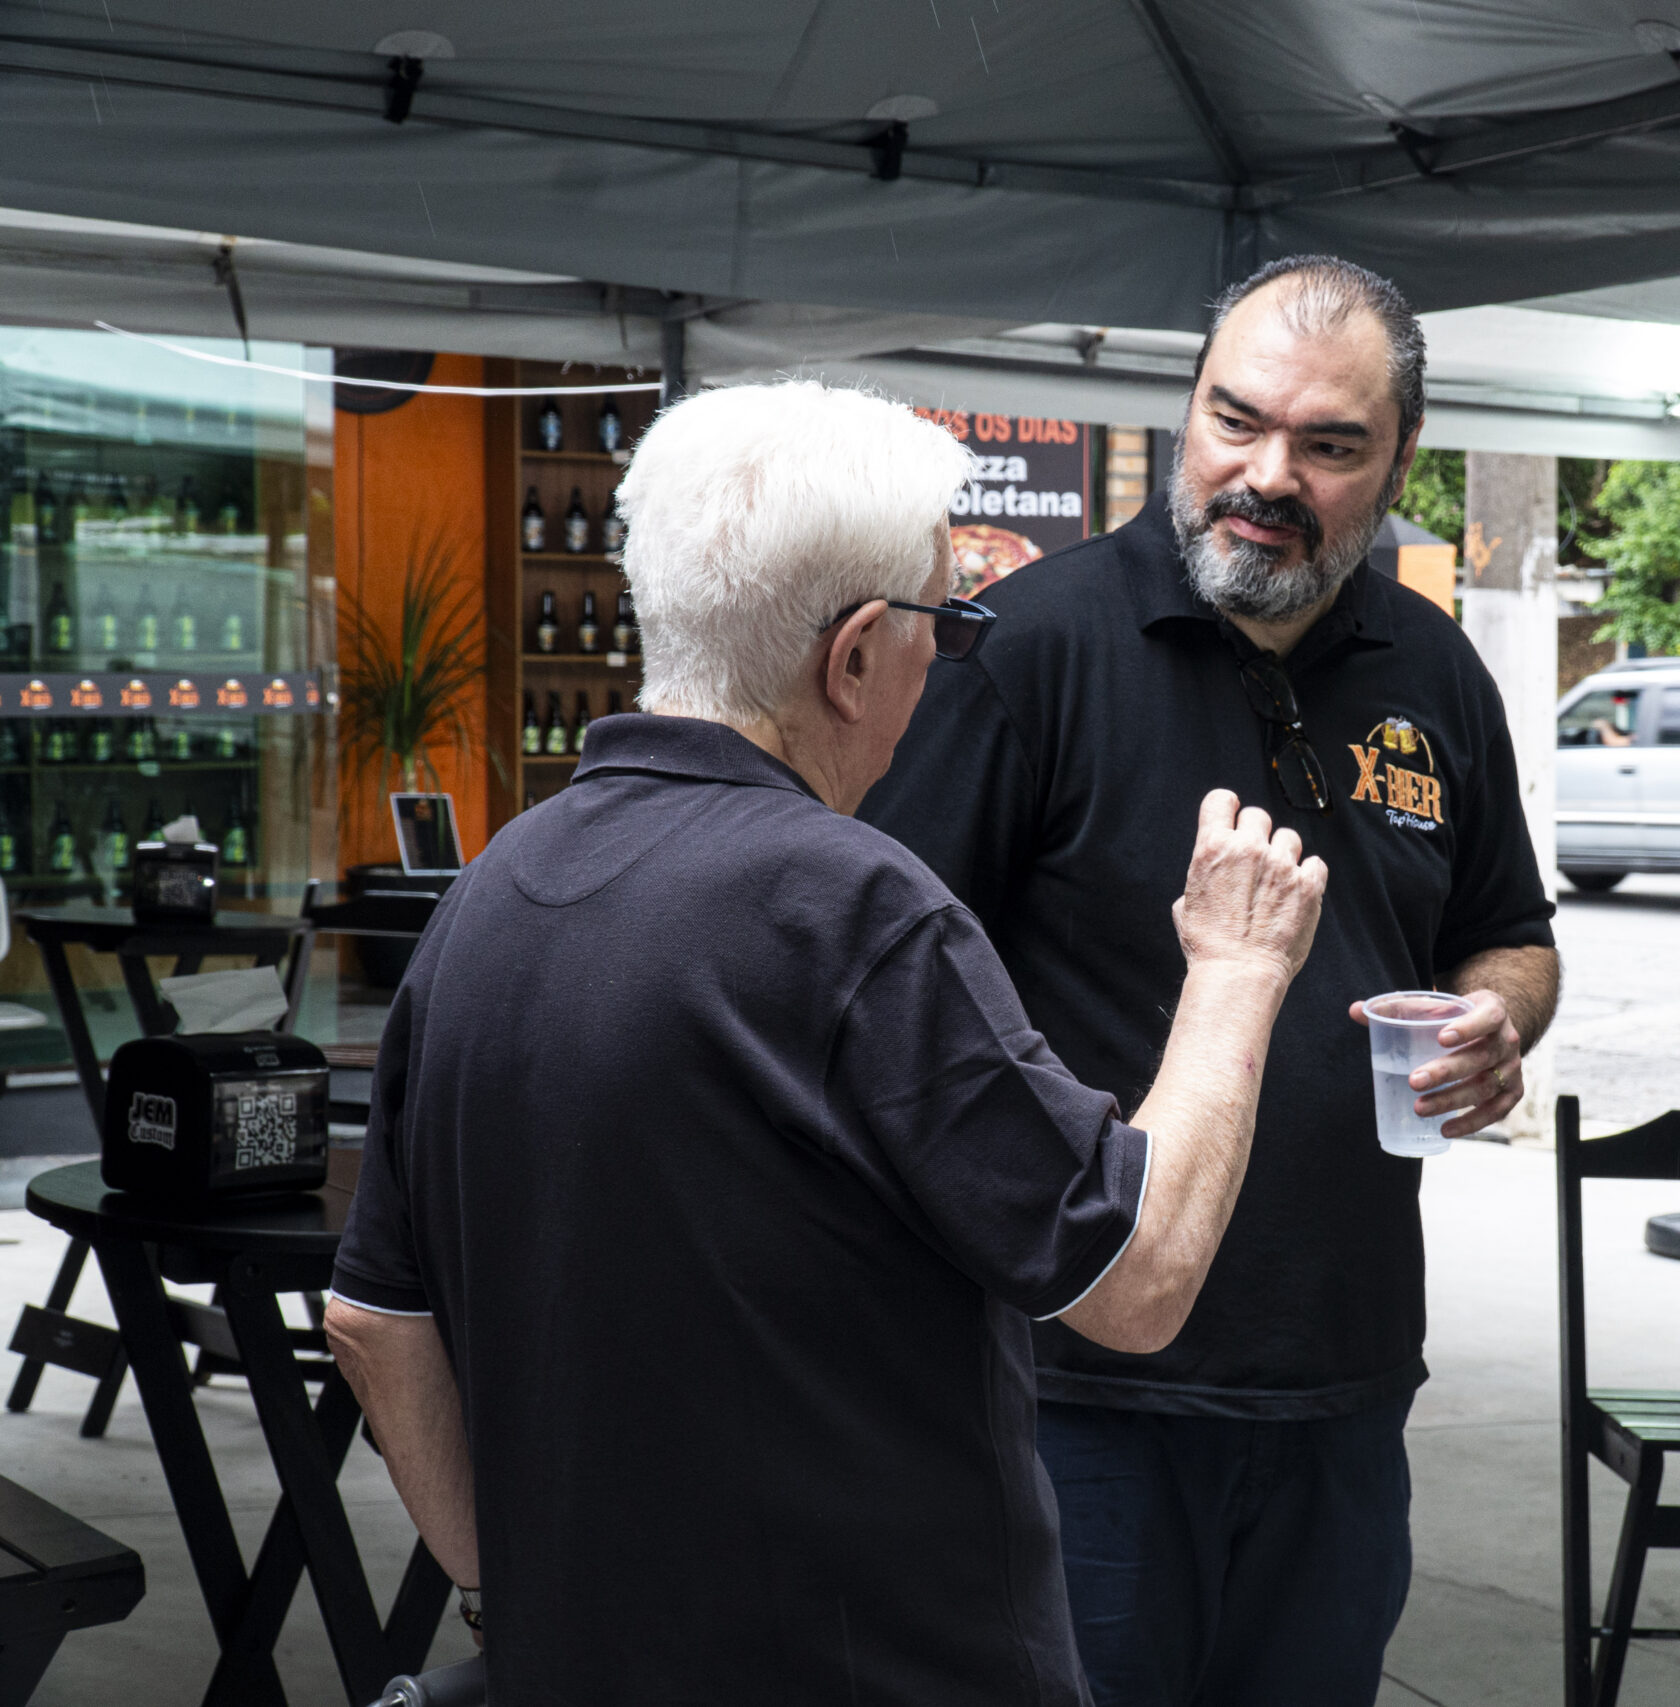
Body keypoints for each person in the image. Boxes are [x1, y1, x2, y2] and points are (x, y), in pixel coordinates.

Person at [323, 380, 1332, 1705]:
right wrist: (1239, 972)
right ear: (853, 654)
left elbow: (371, 1317)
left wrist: (518, 1583)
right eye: (945, 626)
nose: (942, 662)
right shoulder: (848, 906)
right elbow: (1134, 1278)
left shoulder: (492, 892)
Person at [860, 256, 1561, 1705]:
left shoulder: (1434, 669)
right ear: (1185, 409)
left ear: (1401, 461)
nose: (1268, 475)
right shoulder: (1026, 651)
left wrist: (1500, 1018)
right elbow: (890, 995)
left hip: (1344, 1377)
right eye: (1235, 421)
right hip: (1077, 1391)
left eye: (1329, 444)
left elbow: (1511, 931)